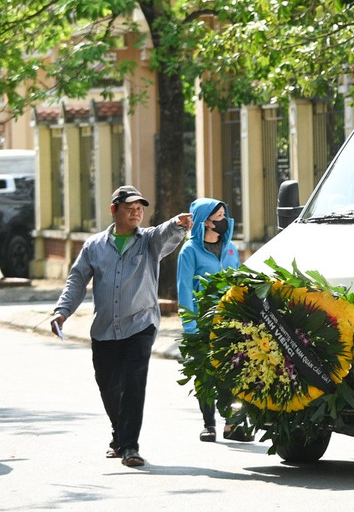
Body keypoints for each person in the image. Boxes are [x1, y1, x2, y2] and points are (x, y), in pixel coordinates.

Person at [51, 186, 192, 468]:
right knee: (108, 384)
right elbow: (77, 280)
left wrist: (178, 224)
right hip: (104, 328)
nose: (137, 213)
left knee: (133, 383)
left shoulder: (149, 240)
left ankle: (130, 446)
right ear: (114, 210)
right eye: (130, 208)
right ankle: (120, 434)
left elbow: (166, 232)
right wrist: (62, 311)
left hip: (141, 324)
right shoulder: (94, 246)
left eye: (140, 208)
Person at [177, 197, 252, 443]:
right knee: (206, 373)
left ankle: (233, 424)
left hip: (230, 320)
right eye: (218, 217)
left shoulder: (230, 248)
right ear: (205, 222)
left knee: (235, 371)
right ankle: (209, 424)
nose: (223, 221)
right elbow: (184, 290)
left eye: (223, 215)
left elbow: (239, 282)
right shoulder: (189, 251)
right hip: (202, 322)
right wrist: (191, 326)